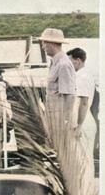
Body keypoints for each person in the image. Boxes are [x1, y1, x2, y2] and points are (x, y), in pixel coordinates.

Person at [39, 28, 76, 150]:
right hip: (52, 116)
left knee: (60, 150)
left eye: (44, 43)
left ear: (52, 44)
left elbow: (69, 95)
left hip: (59, 119)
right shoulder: (55, 62)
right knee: (52, 149)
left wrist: (66, 121)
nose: (43, 46)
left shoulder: (63, 64)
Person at [67, 48, 96, 183]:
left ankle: (84, 192)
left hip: (83, 122)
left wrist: (79, 125)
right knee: (84, 159)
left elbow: (84, 103)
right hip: (85, 120)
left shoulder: (81, 77)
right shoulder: (86, 75)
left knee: (82, 159)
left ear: (78, 61)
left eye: (70, 61)